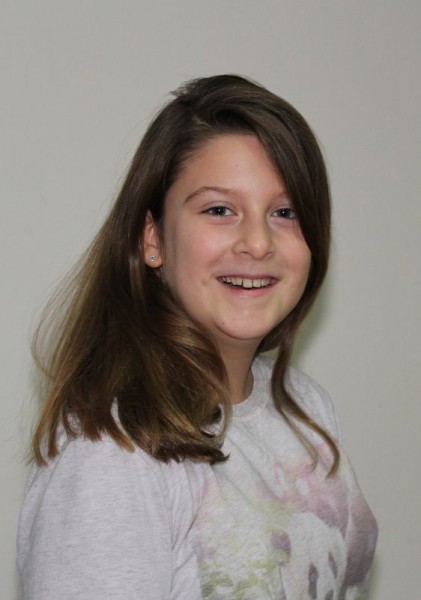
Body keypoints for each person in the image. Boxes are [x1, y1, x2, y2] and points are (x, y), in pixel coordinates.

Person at [18, 75, 377, 600]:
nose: (257, 242)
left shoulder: (305, 407)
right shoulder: (112, 453)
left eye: (285, 212)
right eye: (219, 210)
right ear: (153, 238)